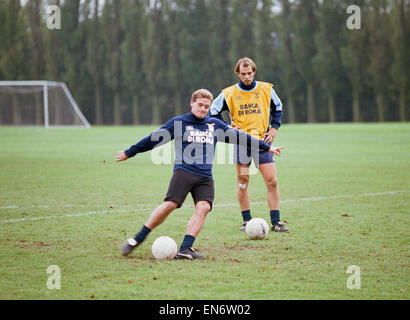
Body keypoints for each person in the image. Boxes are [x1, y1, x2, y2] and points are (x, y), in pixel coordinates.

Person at [116, 88, 284, 260]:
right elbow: (153, 139)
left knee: (203, 207)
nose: (203, 109)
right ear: (192, 103)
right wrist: (130, 152)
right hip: (184, 173)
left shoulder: (214, 125)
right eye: (200, 105)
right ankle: (137, 239)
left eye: (206, 106)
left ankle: (185, 248)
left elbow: (241, 137)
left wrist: (267, 147)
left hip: (205, 177)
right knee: (170, 205)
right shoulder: (179, 123)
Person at [210, 57, 289, 232]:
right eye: (243, 73)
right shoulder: (229, 93)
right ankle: (246, 220)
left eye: (250, 73)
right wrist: (227, 127)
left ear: (254, 72)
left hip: (262, 143)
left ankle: (275, 222)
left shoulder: (266, 89)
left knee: (272, 181)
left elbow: (278, 108)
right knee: (243, 180)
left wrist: (274, 128)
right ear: (237, 73)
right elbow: (213, 112)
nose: (247, 77)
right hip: (242, 144)